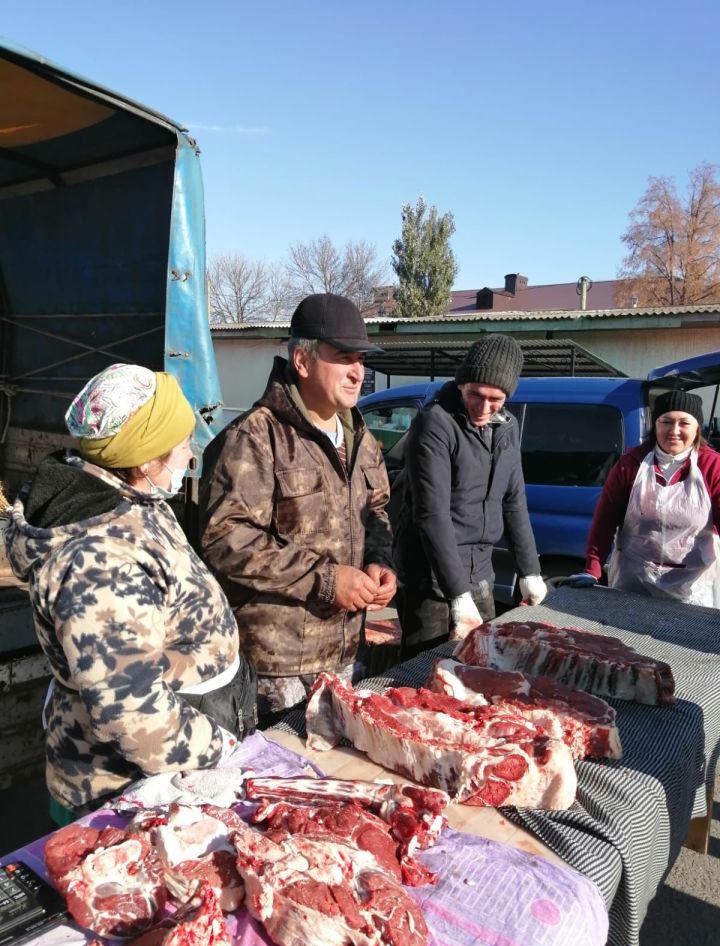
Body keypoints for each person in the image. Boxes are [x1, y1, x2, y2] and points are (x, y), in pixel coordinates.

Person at [4, 363, 256, 824]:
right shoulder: (97, 561)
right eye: (181, 444)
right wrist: (231, 753)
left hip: (167, 768)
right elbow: (134, 715)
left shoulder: (130, 497)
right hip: (124, 791)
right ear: (144, 460)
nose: (190, 454)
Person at [199, 293, 396, 727]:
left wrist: (381, 562)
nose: (358, 372)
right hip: (279, 664)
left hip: (346, 651)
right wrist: (327, 580)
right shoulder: (255, 438)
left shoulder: (361, 439)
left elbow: (377, 509)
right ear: (303, 362)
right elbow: (225, 538)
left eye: (361, 359)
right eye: (343, 358)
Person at [393, 334, 546, 653]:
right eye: (476, 394)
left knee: (480, 668)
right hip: (432, 581)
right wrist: (457, 596)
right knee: (425, 673)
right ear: (462, 383)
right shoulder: (435, 423)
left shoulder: (507, 427)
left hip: (481, 573)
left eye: (496, 399)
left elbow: (514, 501)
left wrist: (529, 570)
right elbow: (432, 514)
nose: (484, 407)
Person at [577, 390, 720, 606]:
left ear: (697, 427)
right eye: (666, 421)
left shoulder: (712, 466)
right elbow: (605, 519)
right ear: (655, 425)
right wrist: (592, 569)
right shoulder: (631, 463)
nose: (674, 430)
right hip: (634, 580)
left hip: (693, 586)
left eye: (684, 423)